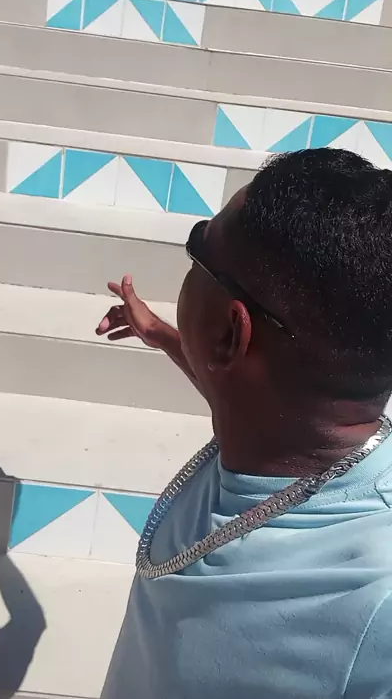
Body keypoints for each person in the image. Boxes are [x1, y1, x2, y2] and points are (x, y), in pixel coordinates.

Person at [96, 148, 392, 699]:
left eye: (198, 251)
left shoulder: (379, 601)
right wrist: (160, 334)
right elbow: (235, 382)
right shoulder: (276, 429)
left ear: (233, 333)